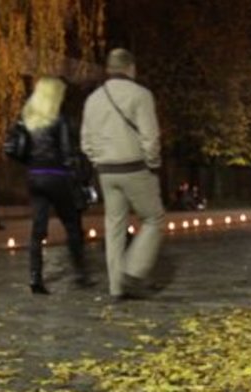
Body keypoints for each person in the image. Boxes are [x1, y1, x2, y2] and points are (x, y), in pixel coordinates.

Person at [81, 48, 165, 300]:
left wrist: (99, 161)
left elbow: (85, 142)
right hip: (134, 167)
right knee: (153, 218)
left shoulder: (93, 99)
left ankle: (116, 287)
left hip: (106, 171)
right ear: (131, 68)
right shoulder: (141, 95)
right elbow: (150, 137)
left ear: (108, 69)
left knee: (114, 226)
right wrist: (152, 162)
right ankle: (133, 270)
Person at [4, 77, 90, 295]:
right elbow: (67, 151)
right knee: (71, 223)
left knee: (38, 229)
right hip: (57, 176)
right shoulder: (58, 120)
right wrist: (77, 177)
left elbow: (15, 148)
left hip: (35, 176)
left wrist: (30, 164)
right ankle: (80, 272)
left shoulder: (27, 119)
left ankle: (35, 277)